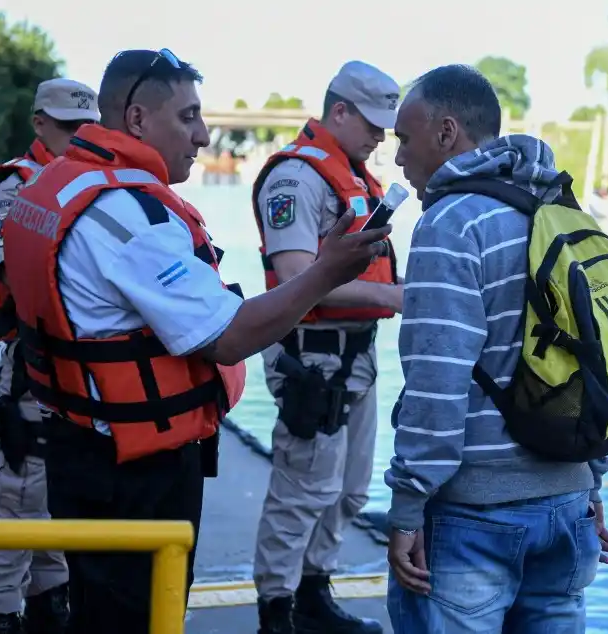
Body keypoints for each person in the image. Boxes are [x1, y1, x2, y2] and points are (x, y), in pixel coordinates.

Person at [0, 49, 392, 634]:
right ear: (137, 119)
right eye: (188, 117)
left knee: (99, 611)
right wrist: (325, 273)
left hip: (79, 447)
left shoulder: (56, 185)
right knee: (136, 618)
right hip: (133, 470)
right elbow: (229, 337)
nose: (204, 136)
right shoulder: (127, 215)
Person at [383, 64, 608, 634]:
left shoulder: (451, 224)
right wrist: (591, 480)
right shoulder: (563, 212)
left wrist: (408, 508)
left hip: (475, 516)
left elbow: (438, 381)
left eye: (405, 139)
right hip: (569, 506)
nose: (398, 158)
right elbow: (596, 360)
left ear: (446, 132)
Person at [250, 60, 403, 634]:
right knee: (301, 491)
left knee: (350, 491)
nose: (381, 136)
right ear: (339, 111)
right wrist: (393, 296)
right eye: (372, 123)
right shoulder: (296, 177)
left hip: (357, 355)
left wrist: (393, 293)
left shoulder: (355, 176)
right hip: (312, 357)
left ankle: (314, 594)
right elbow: (297, 275)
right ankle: (276, 610)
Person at [0, 77, 100, 634]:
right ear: (40, 124)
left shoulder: (90, 184)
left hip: (81, 366)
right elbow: (15, 269)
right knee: (19, 490)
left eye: (88, 128)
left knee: (59, 488)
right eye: (69, 128)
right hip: (33, 363)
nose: (79, 138)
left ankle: (50, 600)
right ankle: (2, 613)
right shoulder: (16, 185)